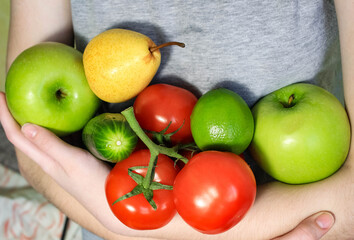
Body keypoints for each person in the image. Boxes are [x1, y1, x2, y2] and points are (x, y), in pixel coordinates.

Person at [1, 0, 353, 239]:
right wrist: (115, 225)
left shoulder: (121, 215)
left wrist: (124, 224)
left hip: (119, 210)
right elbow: (34, 147)